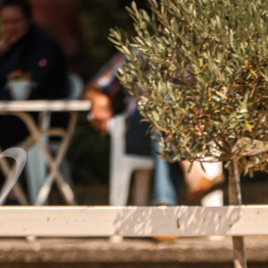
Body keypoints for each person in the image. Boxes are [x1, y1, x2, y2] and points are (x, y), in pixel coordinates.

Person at [84, 52, 223, 207]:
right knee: (161, 103)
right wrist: (99, 99)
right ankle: (193, 176)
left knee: (162, 126)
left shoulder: (195, 51)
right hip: (138, 131)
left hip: (186, 133)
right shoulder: (135, 51)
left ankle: (163, 209)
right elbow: (94, 87)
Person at [0, 0, 67, 150]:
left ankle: (3, 173)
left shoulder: (43, 46)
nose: (10, 27)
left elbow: (35, 87)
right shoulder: (4, 49)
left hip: (41, 121)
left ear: (29, 19)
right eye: (6, 22)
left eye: (16, 21)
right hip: (11, 117)